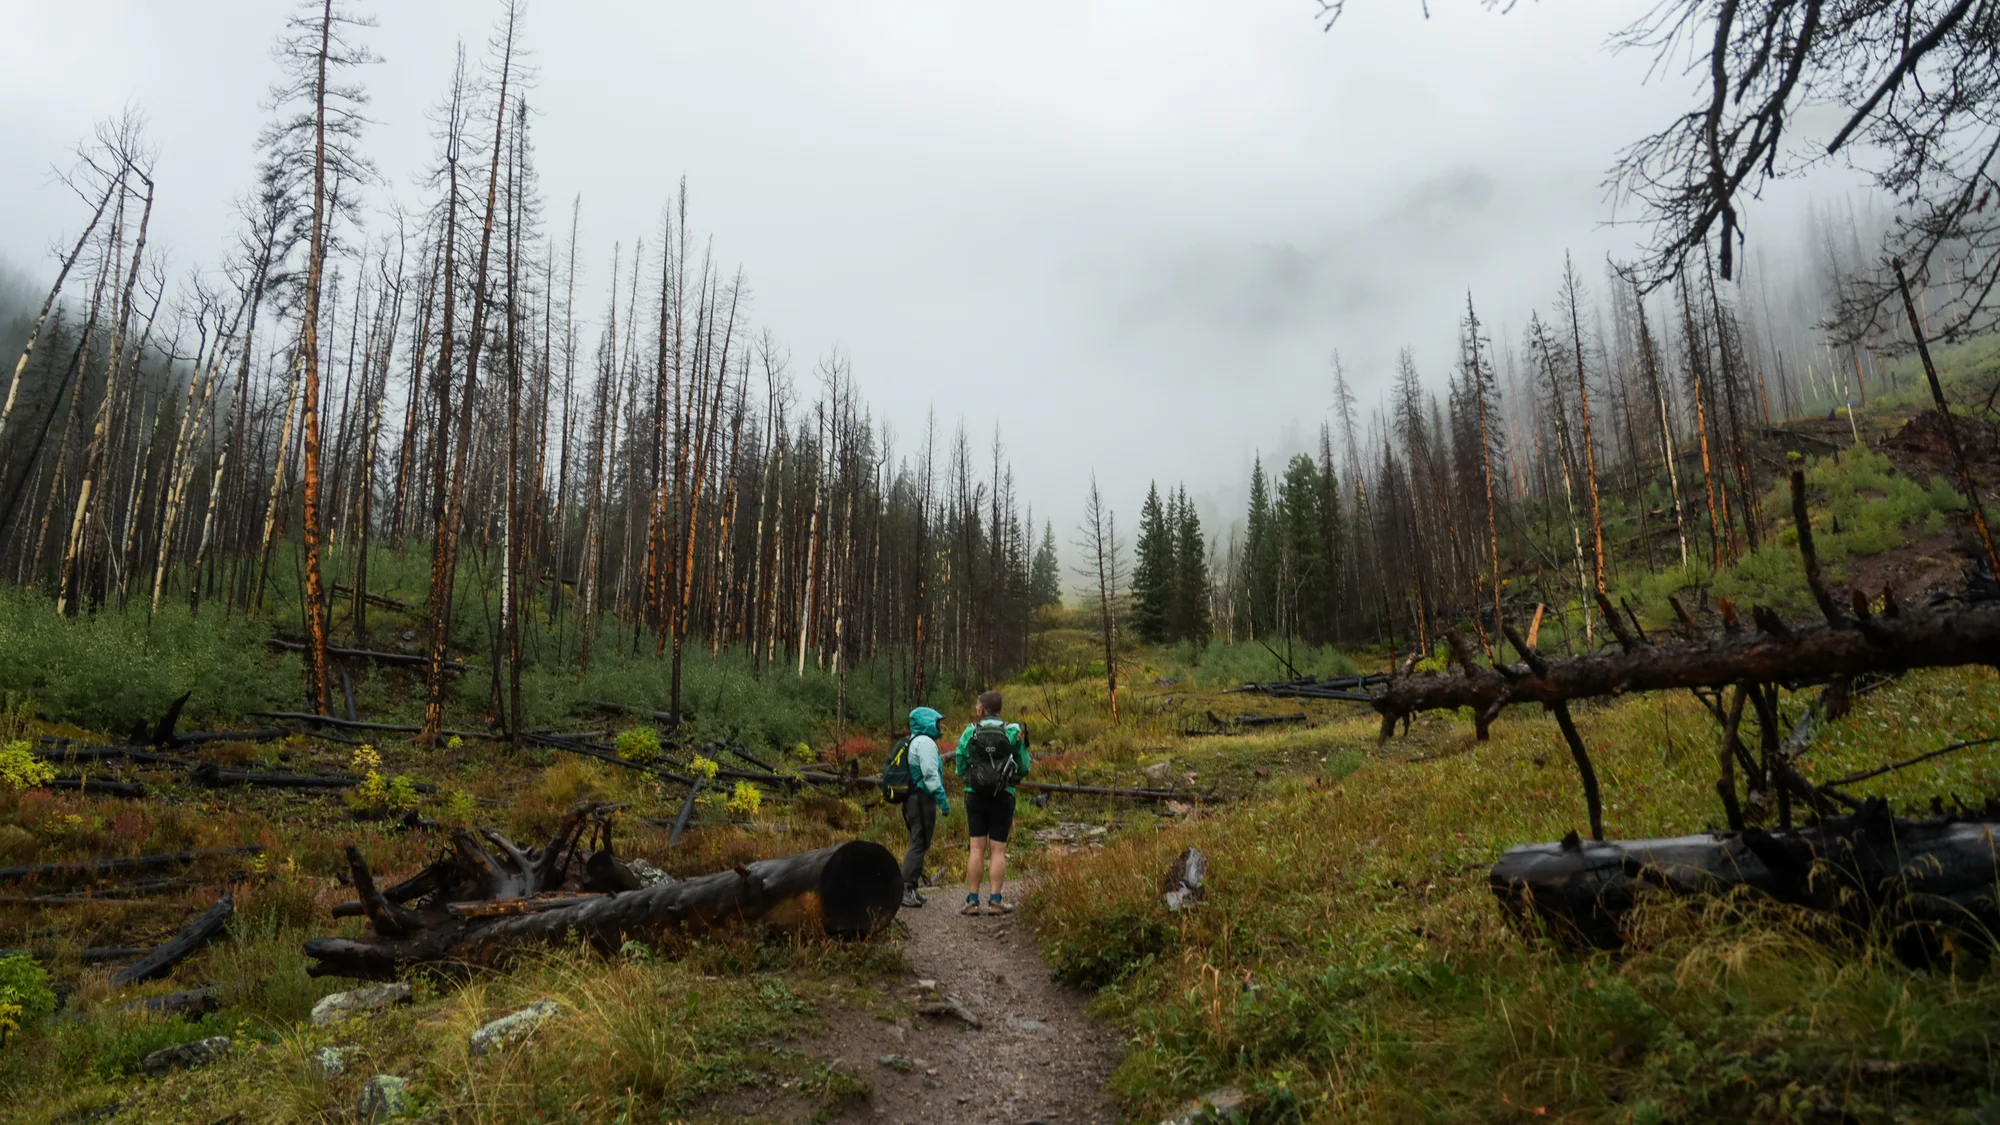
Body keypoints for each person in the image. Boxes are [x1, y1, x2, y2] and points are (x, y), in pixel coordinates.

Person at [954, 690, 1030, 915]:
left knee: (976, 847)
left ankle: (973, 901)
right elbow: (1024, 765)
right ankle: (996, 901)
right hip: (1003, 795)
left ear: (981, 709)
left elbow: (960, 761)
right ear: (999, 709)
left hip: (975, 795)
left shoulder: (970, 731)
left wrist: (969, 778)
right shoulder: (1012, 730)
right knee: (998, 850)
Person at [898, 706, 950, 908]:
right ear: (928, 722)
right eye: (937, 722)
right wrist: (943, 802)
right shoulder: (925, 743)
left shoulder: (914, 740)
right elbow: (930, 776)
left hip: (913, 800)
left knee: (919, 842)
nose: (940, 726)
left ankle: (912, 888)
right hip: (921, 800)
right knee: (919, 843)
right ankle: (906, 888)